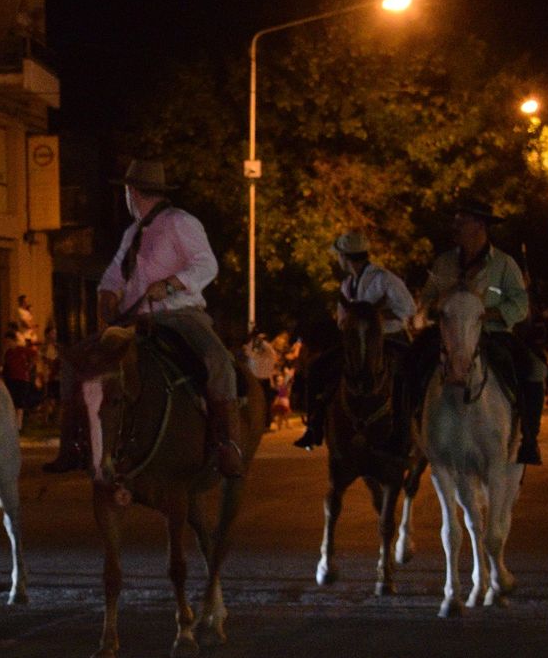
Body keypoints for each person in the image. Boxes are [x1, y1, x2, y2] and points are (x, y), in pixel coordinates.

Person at [43, 159, 244, 478]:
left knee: (217, 359)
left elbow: (207, 265)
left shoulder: (180, 222)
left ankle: (227, 443)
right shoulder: (132, 232)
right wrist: (107, 296)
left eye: (126, 191)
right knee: (76, 361)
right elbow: (113, 273)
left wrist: (170, 284)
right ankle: (73, 444)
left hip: (179, 315)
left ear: (132, 191)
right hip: (135, 321)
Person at [405, 198, 544, 465]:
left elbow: (520, 303)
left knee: (534, 368)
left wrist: (487, 313)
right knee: (407, 364)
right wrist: (434, 308)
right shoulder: (443, 263)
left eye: (462, 221)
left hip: (491, 333)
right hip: (447, 334)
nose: (455, 226)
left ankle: (529, 439)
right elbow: (427, 298)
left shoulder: (504, 264)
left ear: (480, 225)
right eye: (455, 220)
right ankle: (406, 433)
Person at [293, 230, 416, 451]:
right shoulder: (347, 285)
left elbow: (408, 309)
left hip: (387, 339)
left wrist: (373, 318)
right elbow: (341, 319)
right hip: (354, 344)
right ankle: (314, 426)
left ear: (345, 257)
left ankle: (413, 427)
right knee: (317, 369)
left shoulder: (385, 279)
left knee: (410, 377)